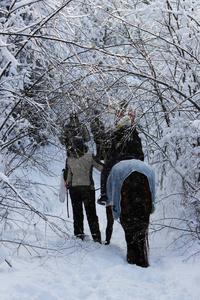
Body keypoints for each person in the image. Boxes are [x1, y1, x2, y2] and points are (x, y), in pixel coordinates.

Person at [97, 114, 144, 205]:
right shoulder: (136, 134)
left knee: (105, 171)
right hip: (136, 159)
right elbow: (141, 152)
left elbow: (113, 151)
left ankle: (104, 195)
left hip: (121, 158)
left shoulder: (117, 134)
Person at [66, 136, 103, 243]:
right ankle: (96, 237)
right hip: (88, 189)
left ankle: (79, 235)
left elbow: (68, 177)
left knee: (77, 213)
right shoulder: (90, 157)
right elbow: (101, 168)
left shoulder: (69, 159)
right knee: (91, 214)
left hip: (74, 189)